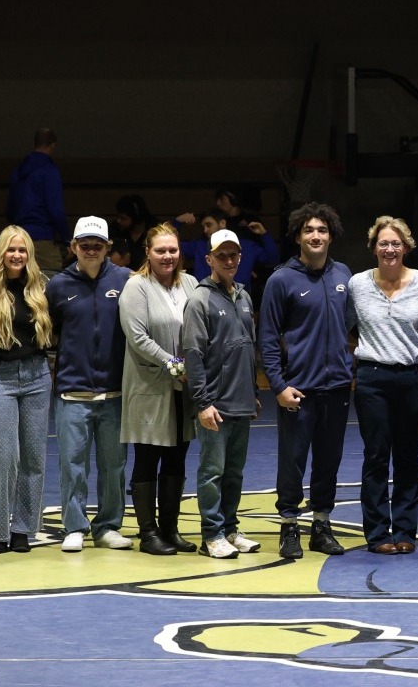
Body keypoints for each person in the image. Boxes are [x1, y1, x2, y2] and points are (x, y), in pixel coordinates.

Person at [260, 202, 358, 560]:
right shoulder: (281, 280)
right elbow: (268, 338)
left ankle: (321, 524)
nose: (315, 236)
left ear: (331, 235)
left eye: (321, 230)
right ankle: (289, 525)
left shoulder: (344, 275)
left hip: (336, 389)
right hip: (298, 390)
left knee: (329, 461)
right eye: (308, 230)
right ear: (298, 236)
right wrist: (279, 385)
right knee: (292, 461)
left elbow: (354, 326)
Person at [347, 216, 418, 554]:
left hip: (412, 378)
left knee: (407, 456)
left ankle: (404, 530)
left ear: (406, 247)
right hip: (372, 379)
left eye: (395, 243)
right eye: (383, 243)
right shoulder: (357, 285)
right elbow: (347, 328)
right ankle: (377, 533)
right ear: (374, 248)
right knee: (376, 457)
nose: (389, 248)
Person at [47, 216, 135, 553]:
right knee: (72, 464)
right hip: (73, 392)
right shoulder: (57, 286)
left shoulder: (126, 280)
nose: (91, 250)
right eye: (85, 245)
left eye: (98, 245)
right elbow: (47, 332)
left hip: (114, 392)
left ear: (108, 248)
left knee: (114, 466)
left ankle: (109, 525)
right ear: (73, 248)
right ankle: (75, 526)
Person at [183, 229, 261, 559]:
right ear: (209, 259)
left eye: (234, 255)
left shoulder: (244, 297)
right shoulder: (200, 300)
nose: (229, 261)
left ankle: (230, 527)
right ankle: (211, 534)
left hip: (241, 401)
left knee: (234, 472)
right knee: (212, 472)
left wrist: (253, 391)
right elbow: (192, 354)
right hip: (214, 403)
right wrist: (202, 403)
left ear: (240, 258)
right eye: (222, 255)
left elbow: (249, 348)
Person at [121, 224, 198, 556]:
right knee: (148, 457)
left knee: (177, 456)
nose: (168, 256)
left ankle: (170, 528)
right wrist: (175, 365)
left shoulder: (192, 284)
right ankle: (148, 532)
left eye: (173, 250)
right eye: (160, 251)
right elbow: (138, 338)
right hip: (149, 386)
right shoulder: (135, 287)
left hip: (184, 390)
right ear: (148, 253)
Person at [0, 226, 54, 554]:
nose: (17, 255)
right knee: (2, 456)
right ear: (1, 253)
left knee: (34, 457)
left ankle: (23, 528)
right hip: (0, 377)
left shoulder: (42, 287)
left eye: (22, 250)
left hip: (37, 376)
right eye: (11, 250)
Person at [4, 129, 67, 275]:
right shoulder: (50, 171)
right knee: (52, 279)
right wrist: (66, 239)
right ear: (53, 145)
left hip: (19, 237)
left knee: (19, 278)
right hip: (43, 236)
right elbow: (55, 209)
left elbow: (10, 208)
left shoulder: (19, 170)